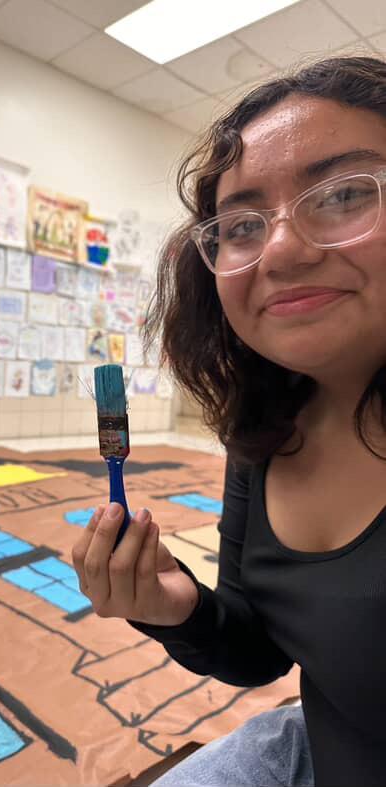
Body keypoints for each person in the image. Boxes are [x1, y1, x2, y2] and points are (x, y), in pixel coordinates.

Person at [72, 54, 386, 787]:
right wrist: (174, 606)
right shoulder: (266, 435)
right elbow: (262, 649)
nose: (282, 250)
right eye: (242, 224)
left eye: (343, 193)